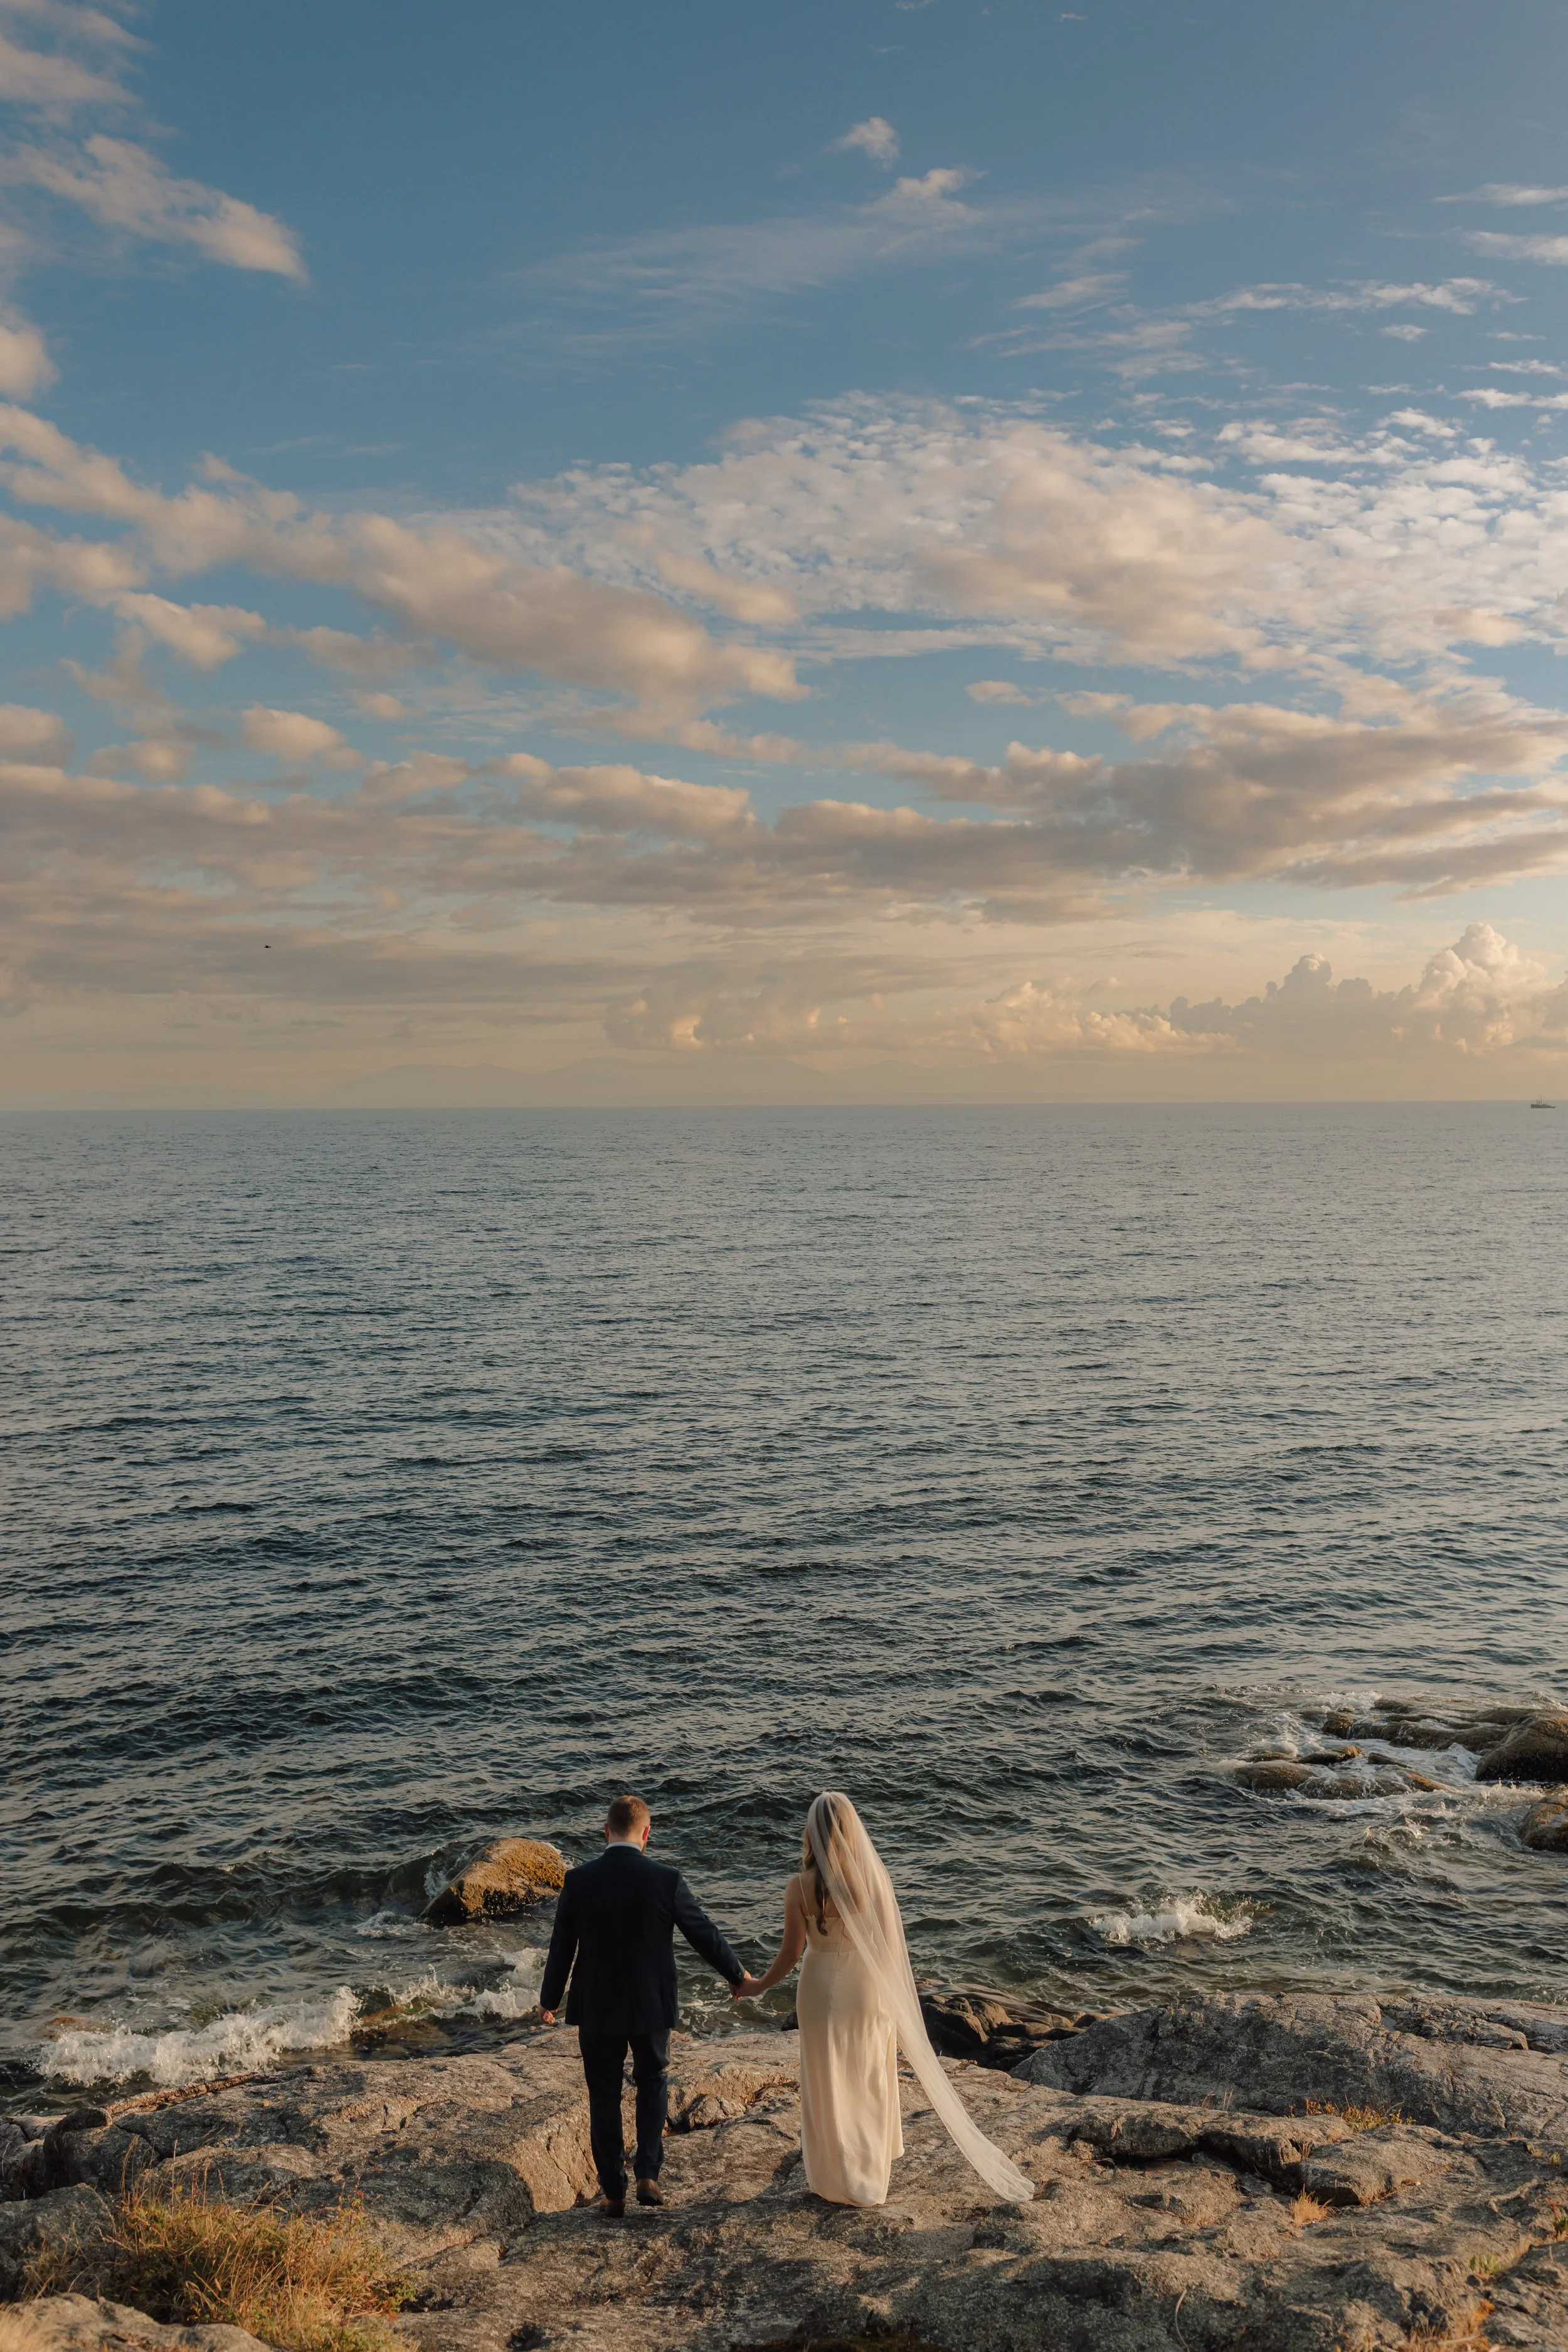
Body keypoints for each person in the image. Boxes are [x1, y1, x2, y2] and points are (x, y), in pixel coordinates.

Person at [739, 1791, 1034, 2208]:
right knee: (869, 2077)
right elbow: (889, 1948)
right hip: (864, 1986)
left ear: (813, 1832)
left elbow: (789, 1955)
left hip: (820, 1986)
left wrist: (756, 1985)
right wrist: (896, 1998)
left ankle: (831, 2177)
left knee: (827, 2080)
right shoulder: (869, 1882)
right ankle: (868, 2178)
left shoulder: (799, 1887)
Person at [538, 1792, 747, 2218]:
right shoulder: (665, 1879)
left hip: (596, 2004)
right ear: (646, 1834)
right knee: (653, 2079)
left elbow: (562, 1947)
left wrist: (549, 1999)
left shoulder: (578, 1881)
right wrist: (737, 1975)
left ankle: (614, 2191)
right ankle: (648, 2173)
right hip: (651, 2000)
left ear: (605, 1832)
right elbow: (703, 1932)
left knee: (604, 2092)